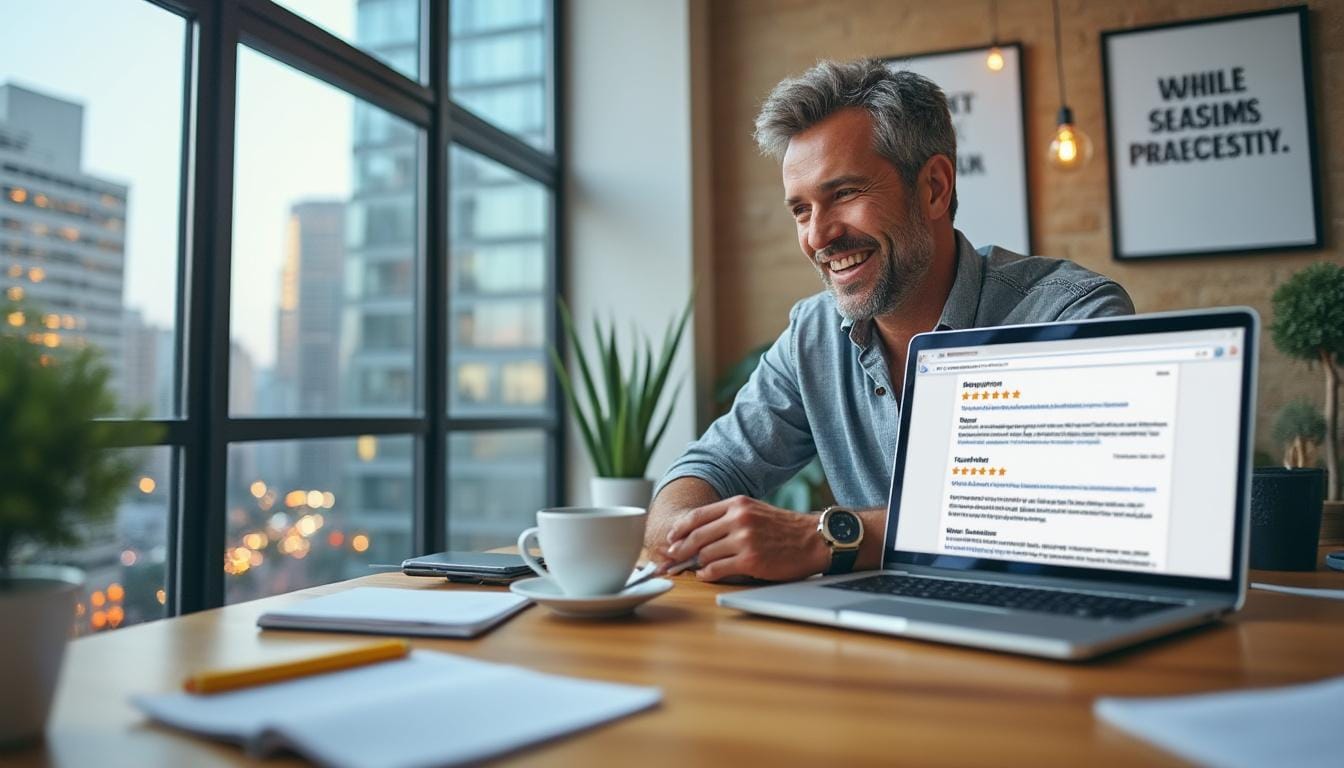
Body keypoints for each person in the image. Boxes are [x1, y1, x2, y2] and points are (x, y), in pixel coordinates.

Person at [647, 59, 1134, 583]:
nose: (818, 236)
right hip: (872, 640)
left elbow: (1086, 518)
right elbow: (701, 474)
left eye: (844, 194)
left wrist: (830, 538)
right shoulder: (812, 336)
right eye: (801, 210)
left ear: (933, 188)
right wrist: (687, 529)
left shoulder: (1068, 314)